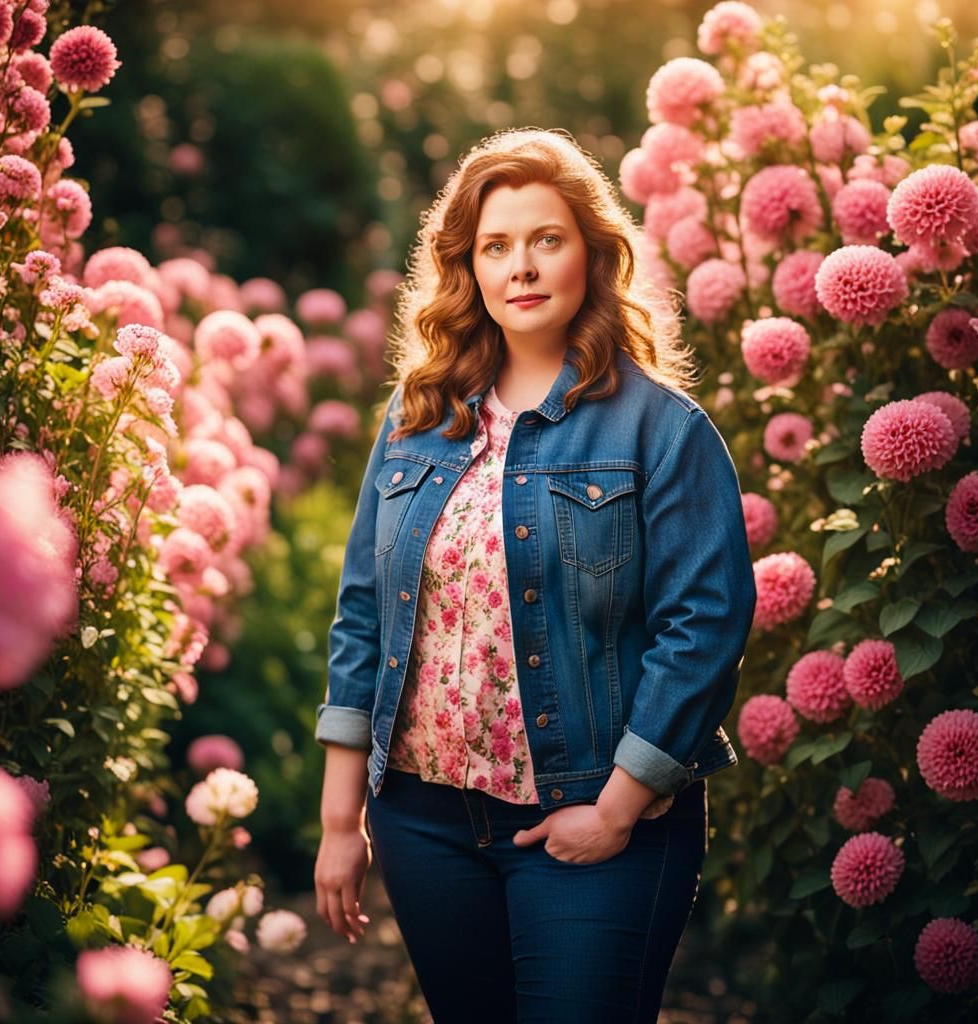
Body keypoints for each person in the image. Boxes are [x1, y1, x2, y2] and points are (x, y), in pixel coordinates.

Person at [312, 127, 757, 1023]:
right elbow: (364, 612)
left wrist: (621, 808)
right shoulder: (417, 420)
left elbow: (705, 624)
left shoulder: (660, 431)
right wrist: (337, 824)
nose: (521, 266)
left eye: (546, 240)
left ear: (591, 254)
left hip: (596, 824)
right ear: (468, 267)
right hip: (425, 825)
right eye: (496, 245)